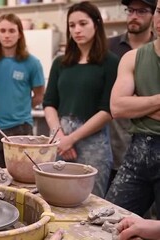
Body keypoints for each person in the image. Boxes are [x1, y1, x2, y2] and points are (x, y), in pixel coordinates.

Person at [43, 1, 119, 198]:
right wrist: (60, 136)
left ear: (96, 24)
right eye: (72, 25)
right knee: (56, 199)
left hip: (93, 144)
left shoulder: (110, 62)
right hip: (60, 140)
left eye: (83, 23)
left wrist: (72, 139)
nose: (77, 30)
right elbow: (49, 103)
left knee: (91, 204)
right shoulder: (60, 62)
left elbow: (108, 110)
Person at [106, 0, 160, 218]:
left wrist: (138, 103)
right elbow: (117, 107)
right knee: (108, 222)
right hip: (138, 150)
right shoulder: (133, 57)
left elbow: (127, 105)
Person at [0, 13, 45, 170]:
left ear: (20, 33)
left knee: (21, 178)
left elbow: (39, 95)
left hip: (21, 128)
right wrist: (2, 106)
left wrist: (19, 109)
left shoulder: (32, 63)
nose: (7, 35)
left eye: (11, 31)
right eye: (3, 31)